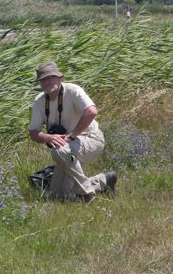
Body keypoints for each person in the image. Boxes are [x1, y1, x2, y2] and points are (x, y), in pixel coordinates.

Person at [28, 61, 116, 201]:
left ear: (60, 78)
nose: (47, 82)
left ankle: (86, 193)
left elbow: (92, 111)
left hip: (91, 139)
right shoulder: (39, 101)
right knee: (58, 197)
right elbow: (33, 132)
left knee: (59, 150)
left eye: (51, 78)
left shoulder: (73, 90)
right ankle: (105, 180)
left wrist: (72, 135)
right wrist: (47, 138)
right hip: (67, 147)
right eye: (43, 80)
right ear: (40, 83)